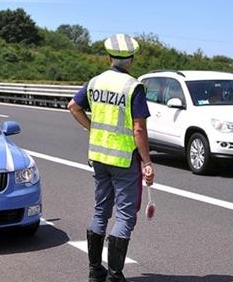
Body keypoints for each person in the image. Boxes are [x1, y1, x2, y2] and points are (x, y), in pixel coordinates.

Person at [68, 33, 155, 282]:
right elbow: (139, 129)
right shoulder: (133, 87)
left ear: (108, 57)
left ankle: (95, 271)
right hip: (124, 160)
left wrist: (92, 128)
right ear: (132, 59)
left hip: (98, 156)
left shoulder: (95, 82)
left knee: (100, 211)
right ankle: (116, 275)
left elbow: (73, 107)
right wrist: (147, 162)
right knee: (125, 215)